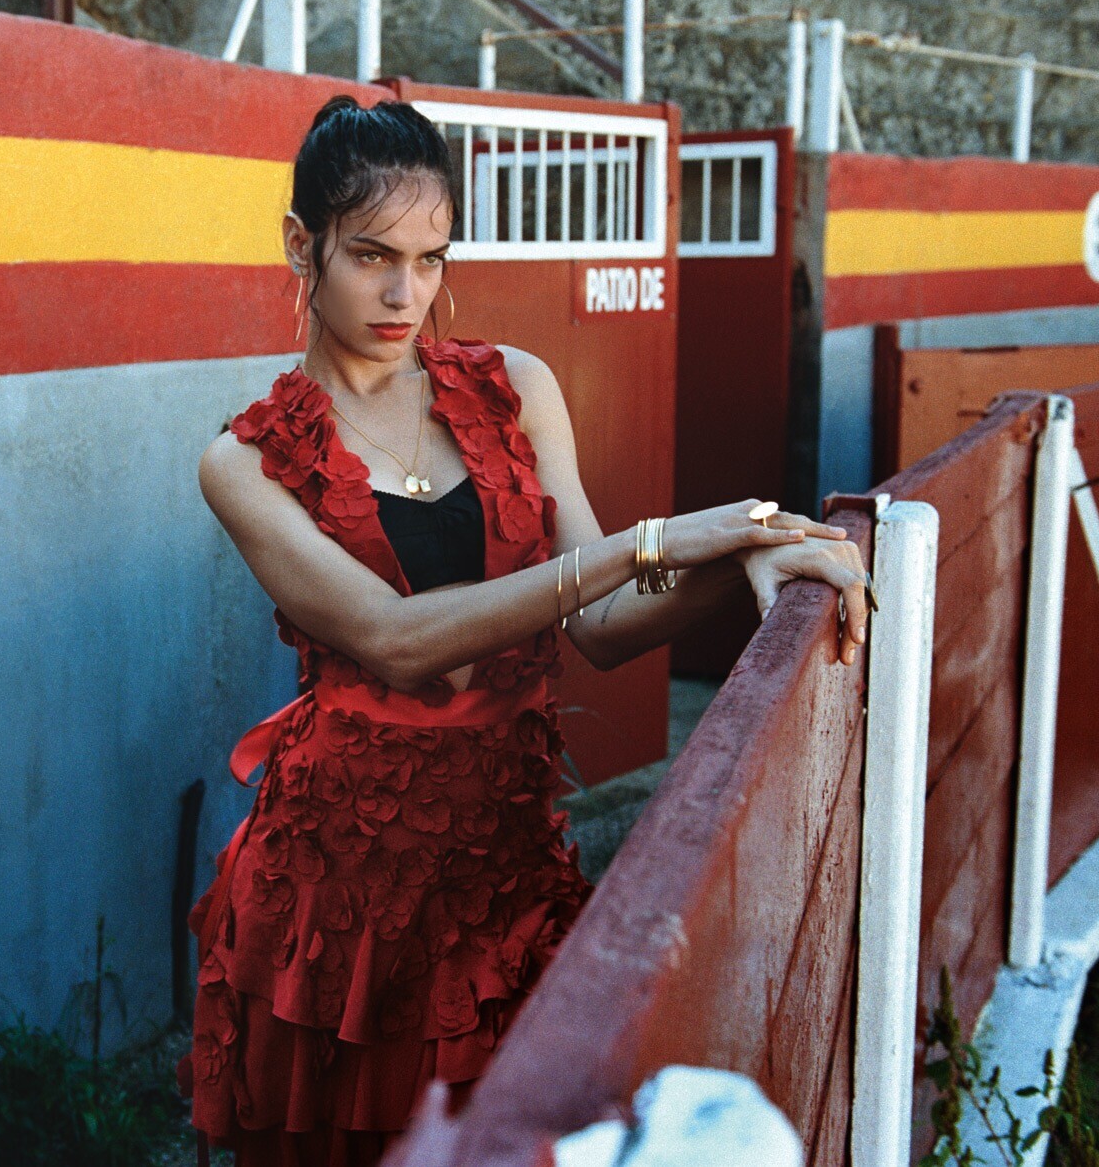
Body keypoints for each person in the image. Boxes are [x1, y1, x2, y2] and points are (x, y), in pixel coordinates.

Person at [175, 94, 873, 1167]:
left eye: (431, 258)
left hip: (504, 864)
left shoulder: (516, 388)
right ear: (300, 244)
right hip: (337, 888)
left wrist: (743, 563)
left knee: (515, 1128)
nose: (406, 293)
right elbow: (398, 639)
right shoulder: (246, 460)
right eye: (371, 256)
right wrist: (655, 539)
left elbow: (603, 623)